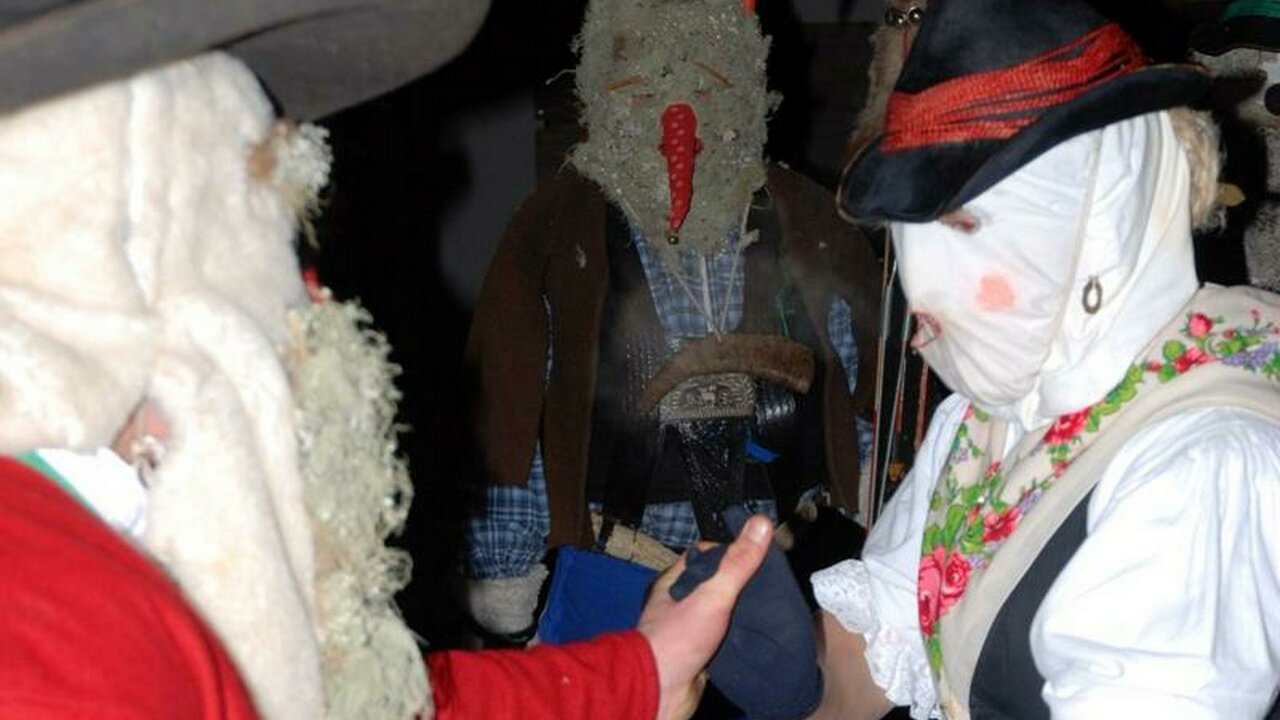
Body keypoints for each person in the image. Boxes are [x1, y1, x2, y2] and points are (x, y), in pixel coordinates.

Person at [0, 2, 771, 719]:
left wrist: (640, 672)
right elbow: (516, 402)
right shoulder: (49, 639)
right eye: (253, 201)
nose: (313, 298)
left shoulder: (138, 540)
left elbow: (343, 700)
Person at [807, 0, 1280, 718]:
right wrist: (778, 666)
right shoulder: (989, 416)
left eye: (965, 227)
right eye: (911, 236)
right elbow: (880, 642)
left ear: (1102, 216)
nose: (923, 297)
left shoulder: (1206, 464)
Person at [463, 0, 880, 644]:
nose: (676, 116)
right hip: (615, 569)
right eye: (645, 90)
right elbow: (511, 402)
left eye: (706, 88)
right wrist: (506, 567)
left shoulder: (804, 217)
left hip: (774, 574)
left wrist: (881, 516)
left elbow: (859, 386)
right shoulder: (561, 226)